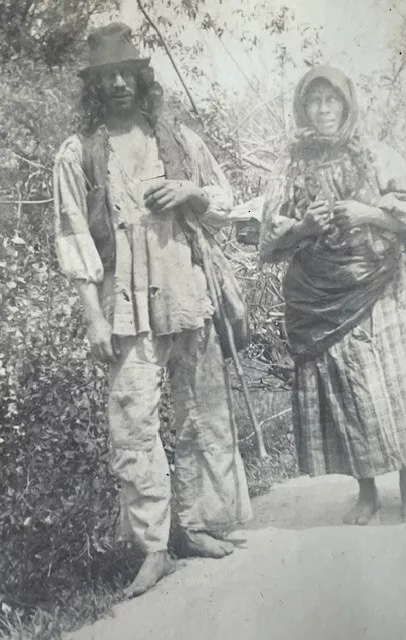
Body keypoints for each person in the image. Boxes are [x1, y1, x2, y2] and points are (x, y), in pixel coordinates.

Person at [53, 22, 251, 598]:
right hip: (123, 303)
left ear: (142, 79)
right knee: (133, 421)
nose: (117, 84)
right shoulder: (78, 154)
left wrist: (188, 192)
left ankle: (194, 528)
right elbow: (74, 240)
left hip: (186, 288)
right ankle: (153, 548)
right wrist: (92, 315)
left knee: (200, 410)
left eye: (126, 73)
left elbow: (225, 200)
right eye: (104, 77)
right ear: (93, 89)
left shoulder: (177, 138)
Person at [259, 66, 406, 526]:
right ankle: (366, 490)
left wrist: (369, 212)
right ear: (304, 109)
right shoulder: (291, 167)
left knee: (397, 380)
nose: (324, 110)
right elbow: (268, 242)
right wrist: (305, 226)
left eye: (332, 101)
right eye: (315, 102)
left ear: (346, 105)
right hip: (323, 295)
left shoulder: (376, 156)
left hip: (383, 287)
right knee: (350, 390)